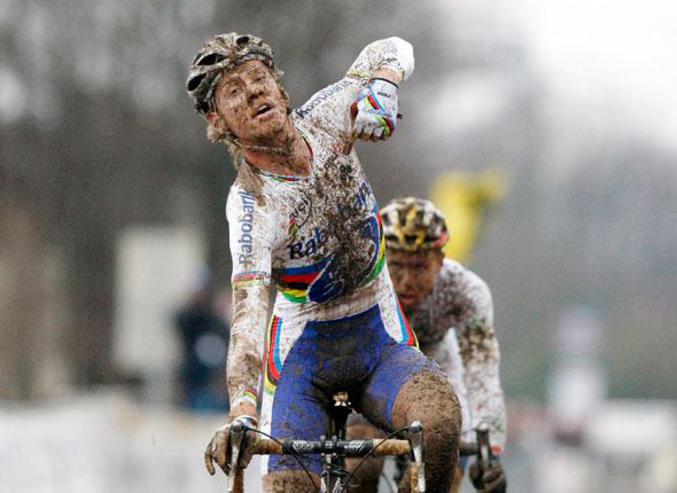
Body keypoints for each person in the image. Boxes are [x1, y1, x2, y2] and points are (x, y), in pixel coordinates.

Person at [186, 33, 461, 492]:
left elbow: (391, 48)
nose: (253, 93)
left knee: (440, 421)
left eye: (258, 79)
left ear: (278, 87)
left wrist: (384, 87)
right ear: (219, 121)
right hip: (304, 364)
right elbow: (249, 316)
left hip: (380, 341)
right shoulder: (253, 206)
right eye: (234, 91)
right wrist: (242, 413)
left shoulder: (328, 118)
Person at [381, 197, 508, 493]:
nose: (407, 281)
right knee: (362, 465)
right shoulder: (362, 280)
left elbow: (482, 371)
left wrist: (492, 451)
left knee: (446, 458)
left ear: (440, 261)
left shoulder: (464, 290)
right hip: (376, 364)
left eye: (419, 266)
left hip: (438, 363)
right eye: (396, 265)